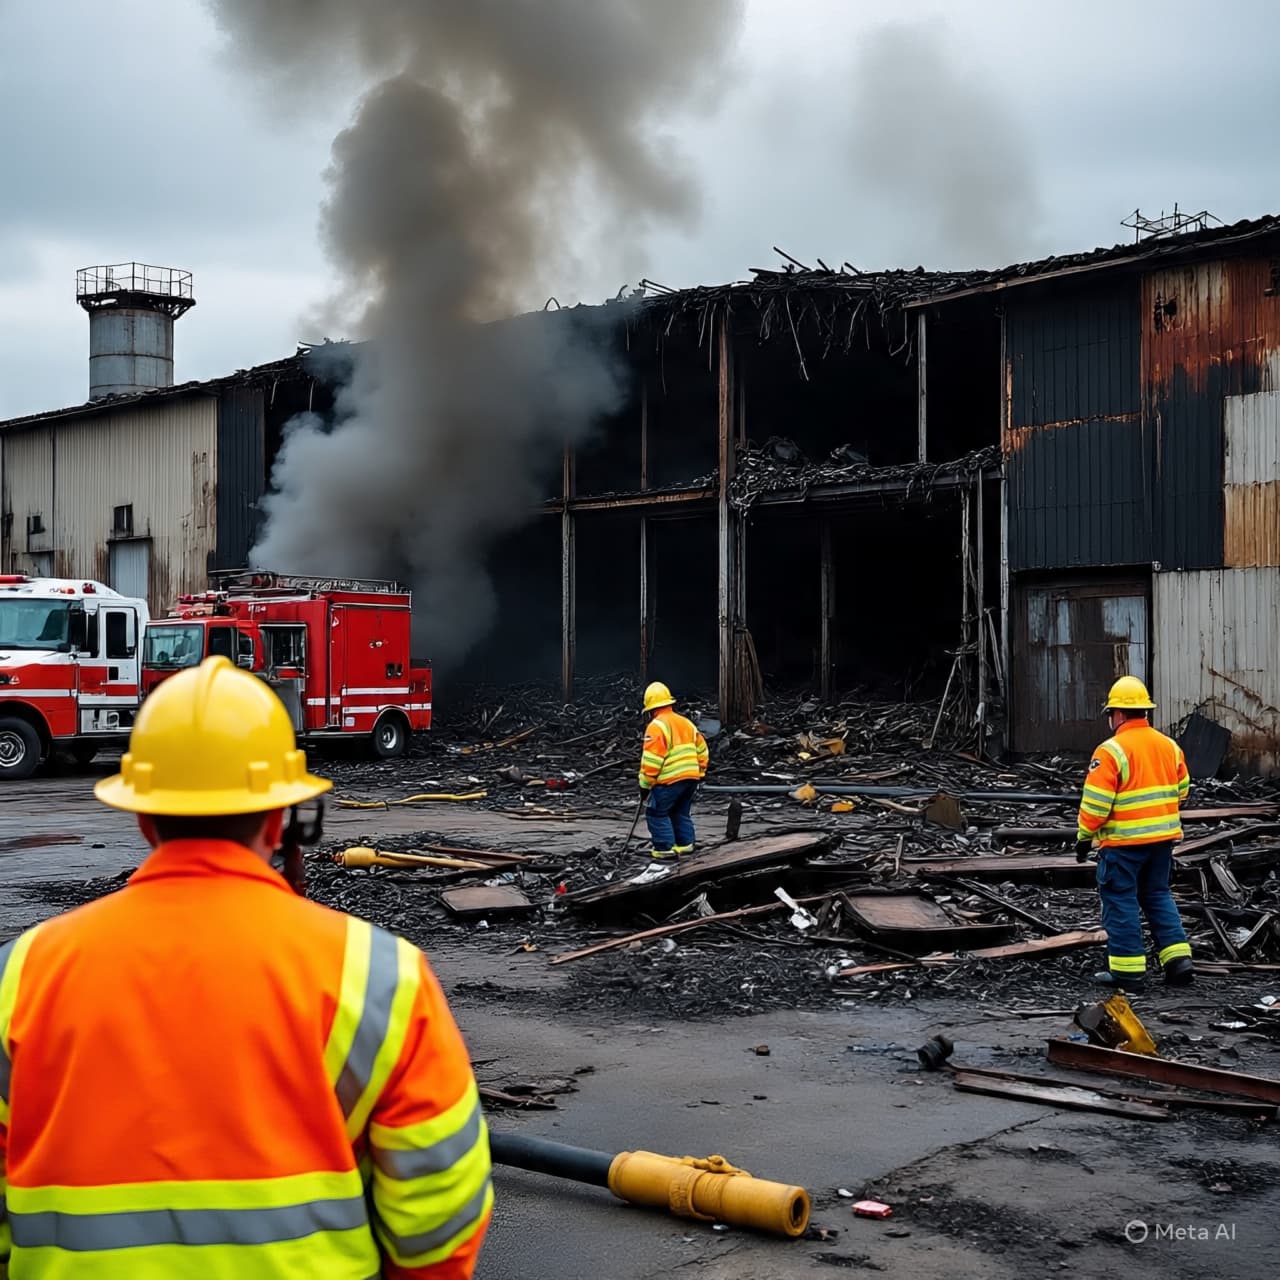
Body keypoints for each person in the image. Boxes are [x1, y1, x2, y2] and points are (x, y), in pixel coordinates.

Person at [0, 656, 491, 1278]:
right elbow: (441, 1199)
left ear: (144, 817)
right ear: (278, 816)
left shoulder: (23, 974)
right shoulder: (380, 974)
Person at [1076, 675, 1194, 991]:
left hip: (1124, 846)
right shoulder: (1169, 746)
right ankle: (1178, 961)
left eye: (1110, 713)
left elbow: (1097, 804)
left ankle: (1128, 973)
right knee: (1157, 896)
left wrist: (1084, 836)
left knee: (1120, 900)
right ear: (1144, 711)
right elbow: (1182, 790)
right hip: (1162, 842)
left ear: (1118, 713)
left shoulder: (1111, 751)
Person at [638, 681, 709, 860]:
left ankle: (664, 849)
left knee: (657, 813)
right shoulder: (686, 723)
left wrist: (644, 785)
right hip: (691, 779)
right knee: (680, 811)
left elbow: (652, 762)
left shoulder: (656, 726)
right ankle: (685, 844)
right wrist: (699, 773)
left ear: (651, 708)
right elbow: (703, 750)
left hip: (669, 781)